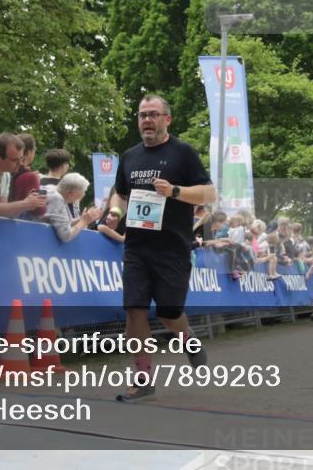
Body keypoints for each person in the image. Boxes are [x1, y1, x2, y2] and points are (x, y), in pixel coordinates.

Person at [109, 94, 216, 402]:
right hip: (137, 247)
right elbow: (120, 193)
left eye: (154, 115)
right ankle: (143, 381)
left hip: (172, 247)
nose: (147, 120)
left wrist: (175, 191)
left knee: (169, 313)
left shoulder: (182, 153)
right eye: (143, 115)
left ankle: (188, 340)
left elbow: (208, 193)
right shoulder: (129, 156)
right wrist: (116, 212)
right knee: (135, 310)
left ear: (167, 119)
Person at [42, 172, 102, 243]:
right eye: (78, 196)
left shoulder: (55, 191)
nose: (78, 199)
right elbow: (66, 236)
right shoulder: (57, 199)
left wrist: (84, 218)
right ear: (70, 194)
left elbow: (66, 222)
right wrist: (84, 221)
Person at [9, 133, 41, 202]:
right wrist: (36, 181)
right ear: (29, 152)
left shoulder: (5, 170)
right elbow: (39, 209)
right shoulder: (30, 176)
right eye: (34, 149)